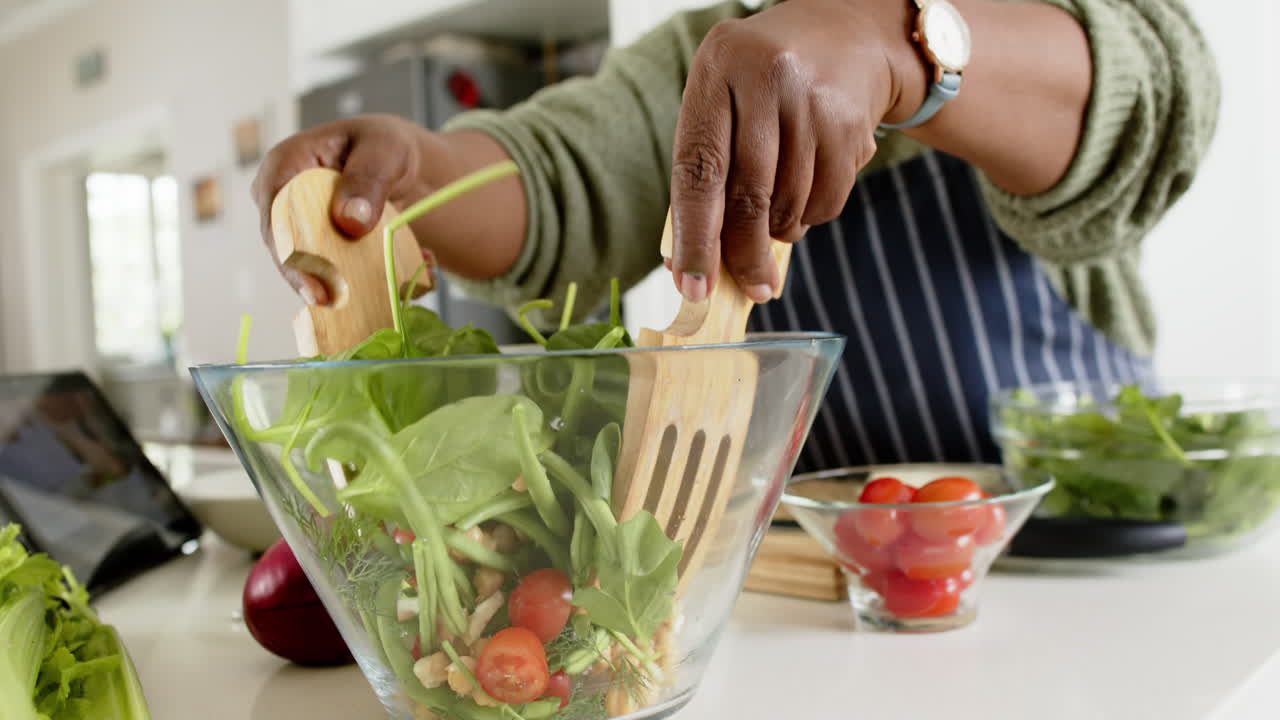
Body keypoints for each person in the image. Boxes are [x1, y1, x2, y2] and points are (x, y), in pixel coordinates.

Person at [253, 0, 1220, 473]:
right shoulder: (712, 49)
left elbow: (1153, 95)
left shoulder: (1041, 13)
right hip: (819, 556)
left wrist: (900, 49)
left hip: (1082, 543)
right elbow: (559, 186)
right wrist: (412, 173)